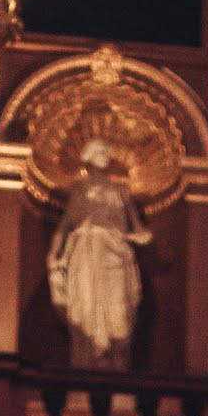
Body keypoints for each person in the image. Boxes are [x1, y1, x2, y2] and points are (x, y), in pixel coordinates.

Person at [46, 138, 151, 371]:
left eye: (106, 150)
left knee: (119, 311)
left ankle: (115, 364)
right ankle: (87, 363)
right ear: (89, 156)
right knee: (85, 306)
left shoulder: (121, 191)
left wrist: (138, 237)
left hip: (116, 254)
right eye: (99, 150)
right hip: (85, 251)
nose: (105, 153)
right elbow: (65, 225)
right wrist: (54, 254)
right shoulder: (79, 189)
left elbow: (138, 229)